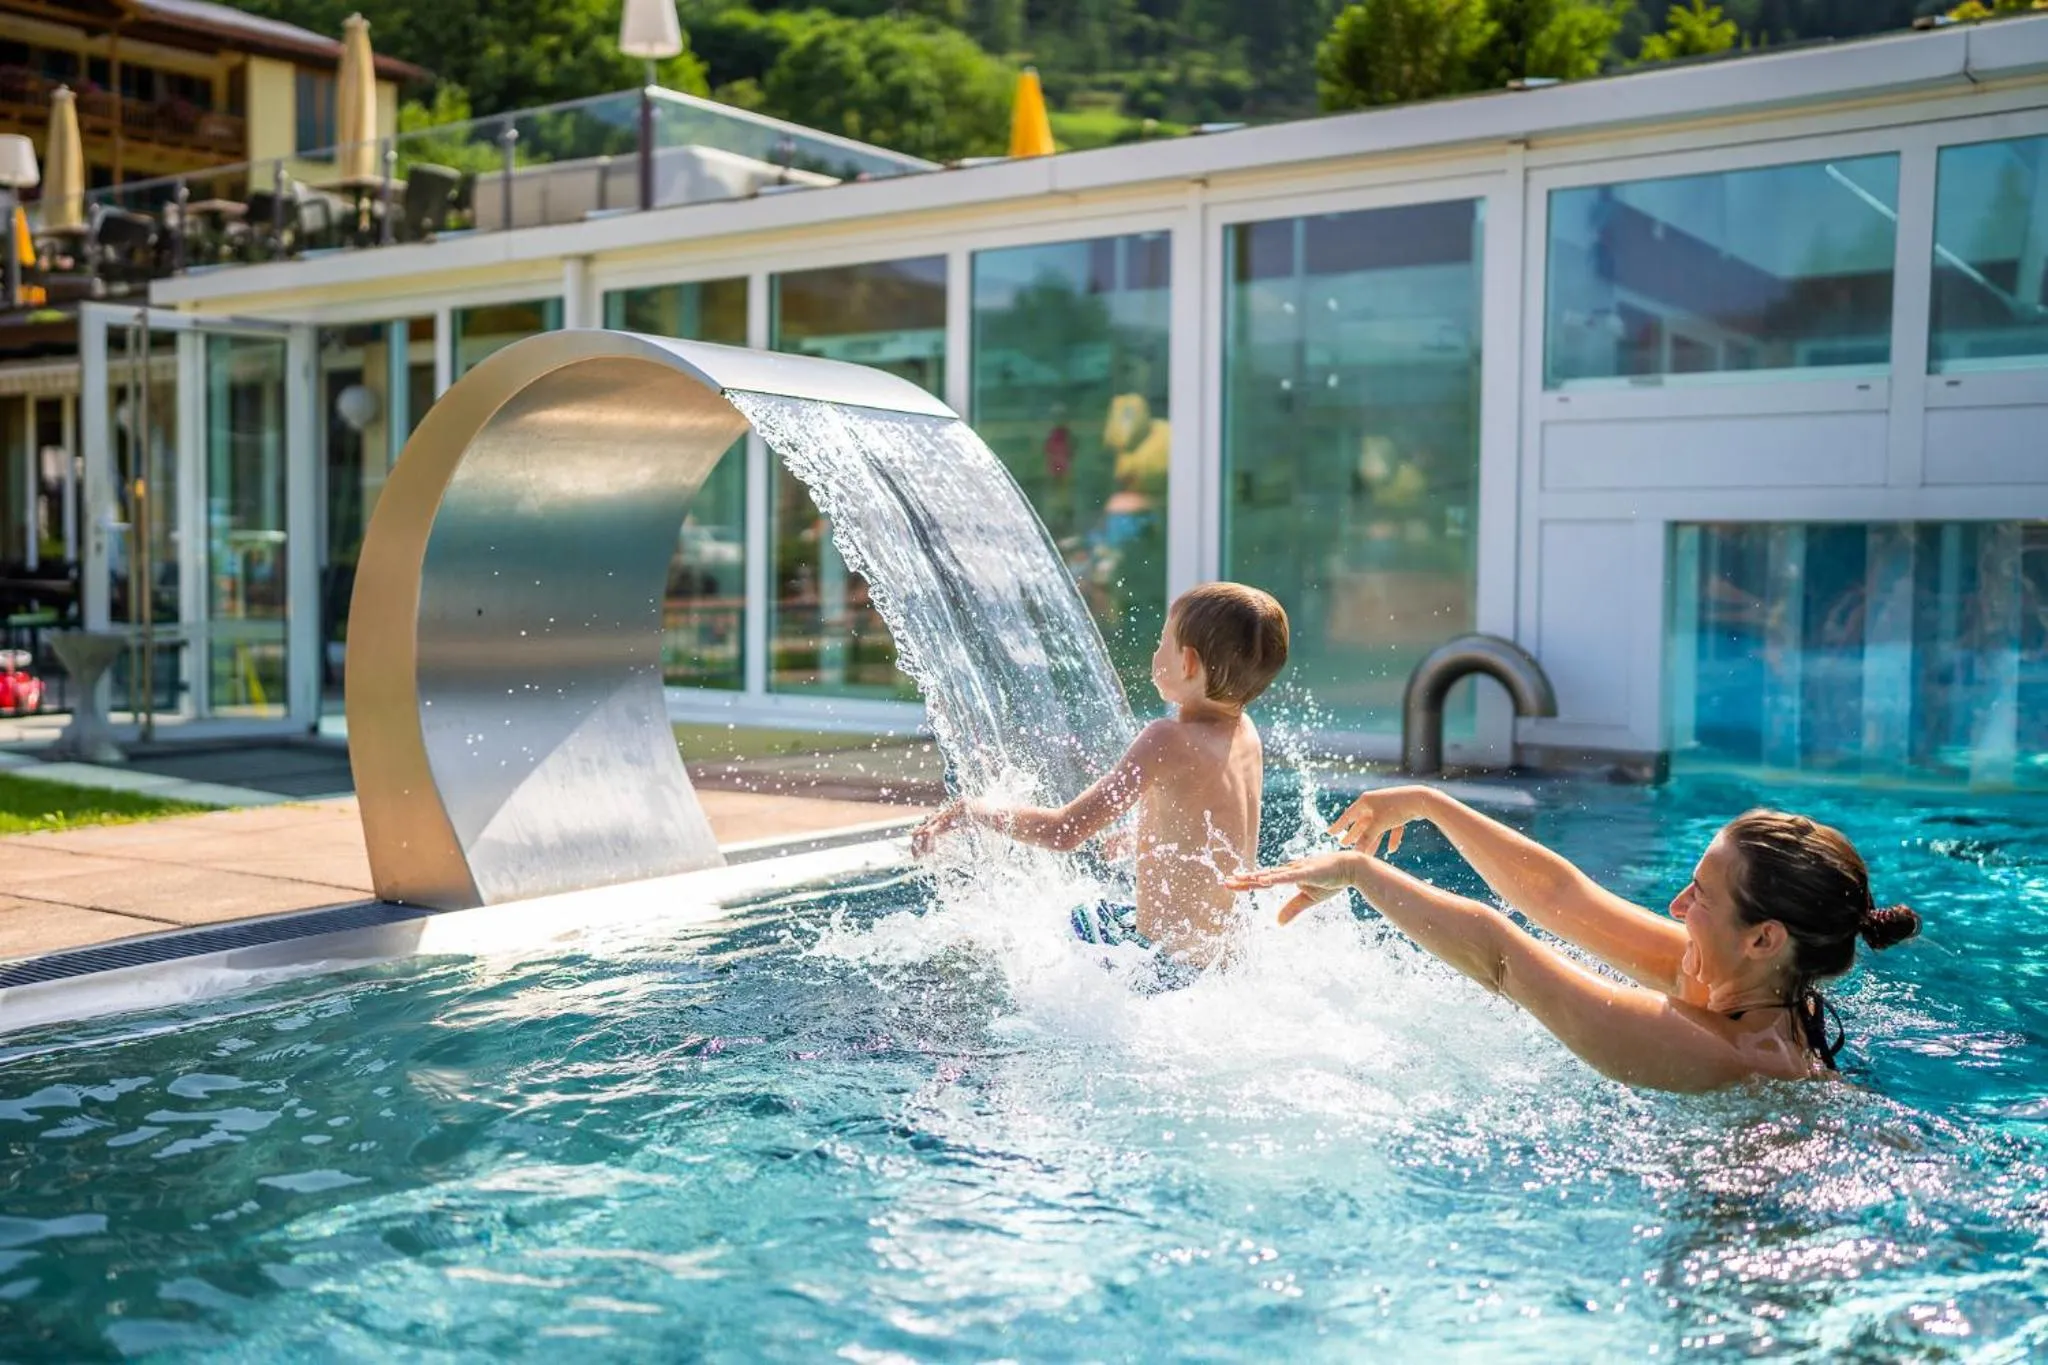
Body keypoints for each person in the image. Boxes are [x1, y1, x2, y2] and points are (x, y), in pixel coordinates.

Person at [1225, 790, 1921, 1092]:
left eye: (1701, 897)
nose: (1677, 906)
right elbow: (1561, 899)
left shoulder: (1723, 1051)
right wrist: (1427, 804)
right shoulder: (1751, 983)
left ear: (1764, 938)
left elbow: (1501, 959)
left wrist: (1358, 872)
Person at [913, 582, 1290, 973]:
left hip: (1161, 966)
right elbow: (1214, 824)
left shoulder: (1165, 738)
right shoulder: (1246, 732)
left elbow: (1064, 831)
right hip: (1223, 961)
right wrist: (1144, 838)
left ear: (1189, 663)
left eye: (1163, 641)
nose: (1155, 652)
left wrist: (976, 810)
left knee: (1038, 933)